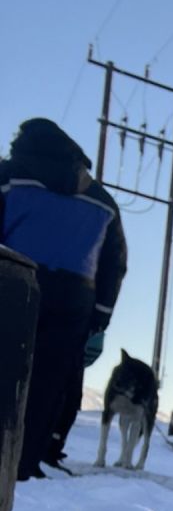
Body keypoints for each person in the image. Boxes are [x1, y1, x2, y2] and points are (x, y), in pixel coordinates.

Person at [0, 118, 126, 478]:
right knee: (48, 382)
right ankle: (25, 463)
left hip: (13, 281)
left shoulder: (8, 175)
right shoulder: (102, 200)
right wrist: (99, 320)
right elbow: (114, 265)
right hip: (75, 299)